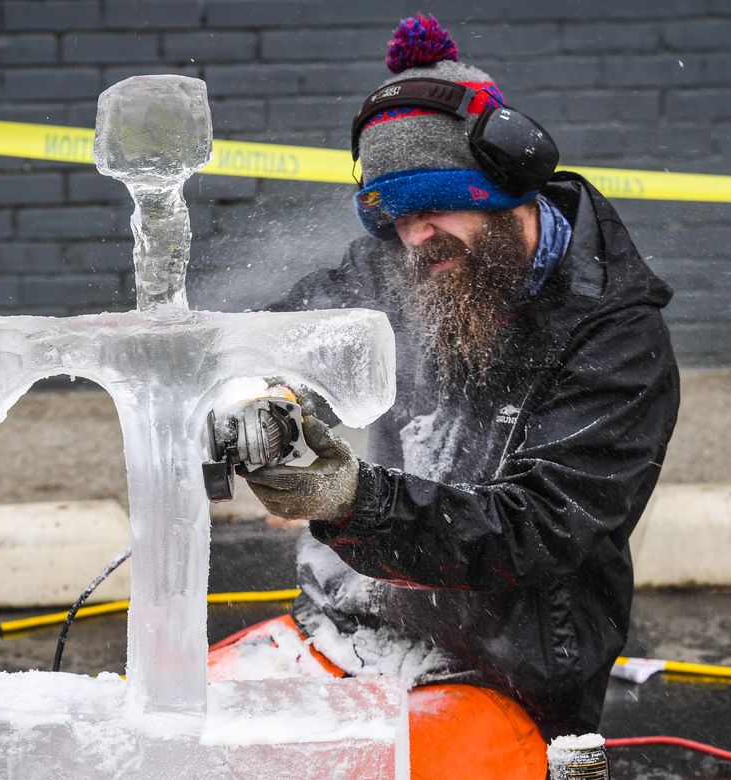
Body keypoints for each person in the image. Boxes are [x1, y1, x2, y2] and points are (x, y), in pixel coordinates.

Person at [208, 15, 680, 778]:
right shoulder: (397, 268)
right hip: (345, 631)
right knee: (172, 748)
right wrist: (252, 390)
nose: (415, 237)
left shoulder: (614, 336)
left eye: (432, 204)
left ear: (509, 178)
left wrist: (348, 498)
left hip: (505, 671)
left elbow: (538, 531)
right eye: (394, 218)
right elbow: (289, 338)